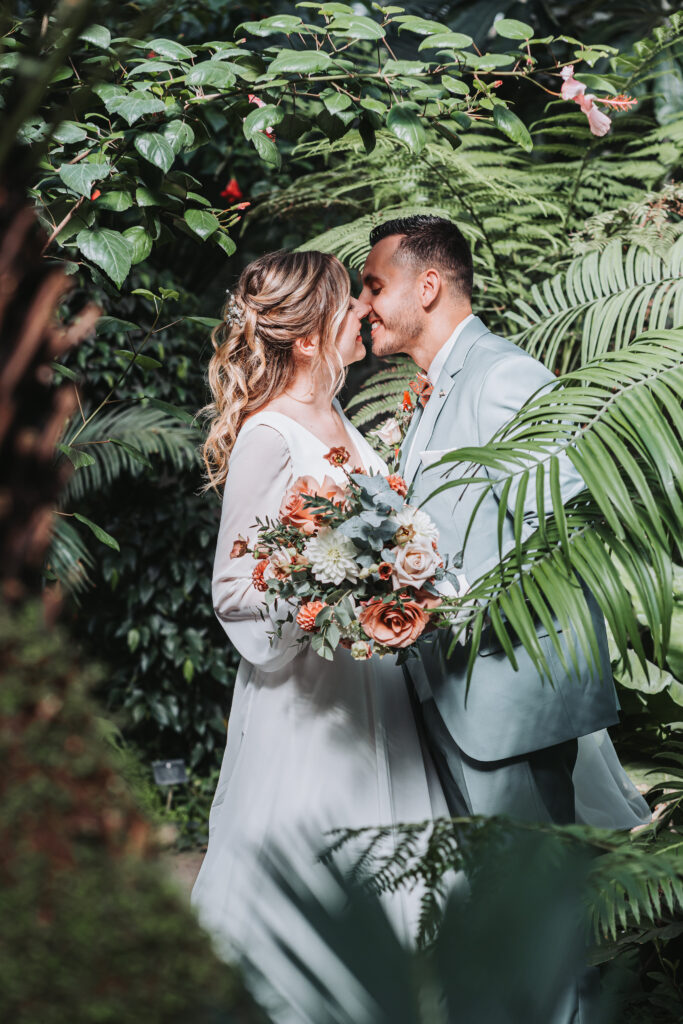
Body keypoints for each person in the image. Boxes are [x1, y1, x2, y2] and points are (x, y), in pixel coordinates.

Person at [359, 214, 650, 1023]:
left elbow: (563, 527)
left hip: (511, 697)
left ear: (428, 285)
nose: (364, 305)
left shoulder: (501, 375)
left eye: (375, 285)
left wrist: (446, 601)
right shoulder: (432, 392)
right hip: (452, 695)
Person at [190, 250, 448, 1022]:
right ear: (307, 338)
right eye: (347, 304)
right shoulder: (269, 434)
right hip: (309, 701)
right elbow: (232, 587)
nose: (362, 313)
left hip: (372, 688)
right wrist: (324, 594)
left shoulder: (336, 418)